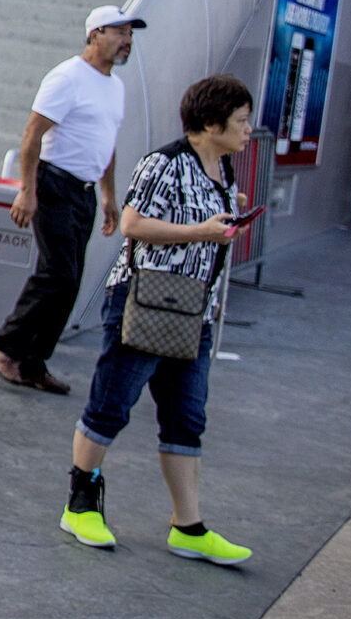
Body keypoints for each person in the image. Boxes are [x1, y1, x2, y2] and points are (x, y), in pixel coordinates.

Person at [61, 73, 258, 567]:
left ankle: (188, 526)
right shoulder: (165, 163)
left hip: (196, 309)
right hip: (146, 301)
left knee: (187, 417)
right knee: (112, 403)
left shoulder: (223, 170)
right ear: (211, 124)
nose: (248, 129)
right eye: (240, 120)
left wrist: (222, 220)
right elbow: (132, 224)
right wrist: (202, 231)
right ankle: (80, 504)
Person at [0, 5, 139, 394]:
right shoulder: (68, 77)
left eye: (130, 35)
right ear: (94, 35)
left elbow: (106, 145)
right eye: (119, 33)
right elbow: (32, 134)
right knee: (59, 273)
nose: (127, 42)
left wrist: (108, 195)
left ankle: (34, 361)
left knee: (69, 281)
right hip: (54, 183)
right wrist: (28, 189)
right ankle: (8, 345)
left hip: (85, 192)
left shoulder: (115, 87)